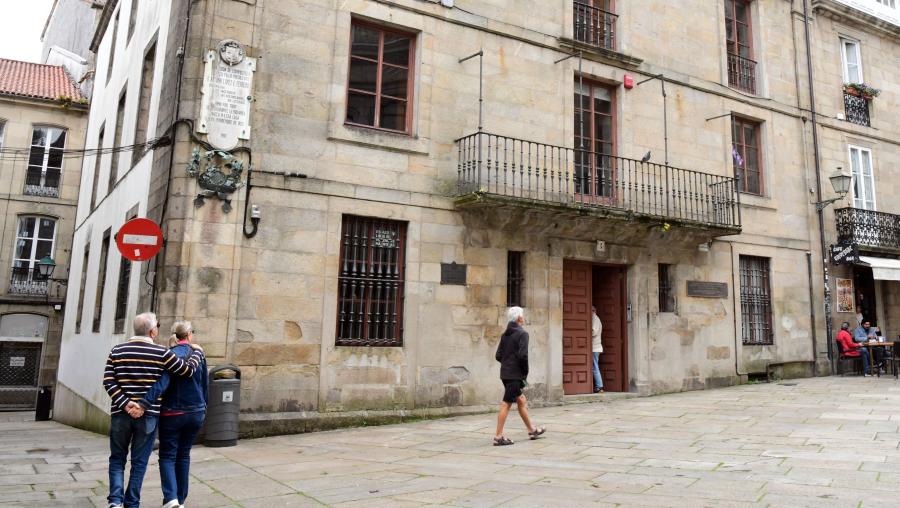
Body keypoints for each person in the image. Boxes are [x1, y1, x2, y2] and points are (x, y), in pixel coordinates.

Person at [102, 312, 204, 508]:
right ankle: (132, 503)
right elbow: (188, 370)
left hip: (120, 414)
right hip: (148, 415)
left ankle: (115, 501)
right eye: (157, 325)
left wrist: (125, 404)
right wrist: (197, 351)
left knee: (117, 459)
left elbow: (108, 381)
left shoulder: (117, 350)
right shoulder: (162, 353)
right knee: (139, 462)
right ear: (152, 331)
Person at [139, 321, 209, 508]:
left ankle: (171, 499)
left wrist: (144, 403)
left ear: (175, 336)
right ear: (189, 335)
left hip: (172, 413)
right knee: (184, 455)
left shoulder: (169, 355)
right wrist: (204, 407)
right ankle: (181, 499)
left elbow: (162, 383)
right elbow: (204, 384)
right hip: (195, 411)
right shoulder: (198, 354)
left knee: (168, 455)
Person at [493, 306, 546, 446]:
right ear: (519, 318)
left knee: (521, 400)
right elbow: (523, 356)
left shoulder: (505, 334)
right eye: (523, 315)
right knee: (506, 403)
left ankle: (532, 430)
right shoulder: (523, 334)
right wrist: (524, 372)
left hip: (505, 374)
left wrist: (507, 364)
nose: (523, 317)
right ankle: (498, 437)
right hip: (515, 375)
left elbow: (498, 355)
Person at [591, 306, 604, 394]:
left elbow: (594, 332)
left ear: (593, 311)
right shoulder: (594, 319)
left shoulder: (595, 319)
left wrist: (585, 333)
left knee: (595, 367)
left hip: (595, 347)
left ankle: (599, 386)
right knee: (593, 366)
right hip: (594, 347)